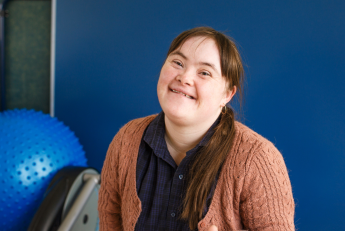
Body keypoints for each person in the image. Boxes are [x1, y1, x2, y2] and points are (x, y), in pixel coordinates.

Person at [98, 27, 295, 231]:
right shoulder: (126, 140)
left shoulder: (257, 159)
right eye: (178, 63)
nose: (184, 78)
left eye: (204, 72)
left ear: (227, 95)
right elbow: (110, 221)